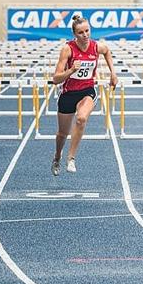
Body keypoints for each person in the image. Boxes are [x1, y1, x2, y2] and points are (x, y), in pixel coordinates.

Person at [51, 15, 118, 175]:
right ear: (75, 34)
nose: (85, 35)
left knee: (81, 119)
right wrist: (71, 70)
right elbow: (55, 79)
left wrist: (113, 73)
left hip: (87, 91)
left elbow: (107, 51)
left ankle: (71, 158)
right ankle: (57, 156)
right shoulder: (67, 49)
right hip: (68, 93)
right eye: (81, 32)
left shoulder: (96, 47)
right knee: (62, 134)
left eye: (87, 31)